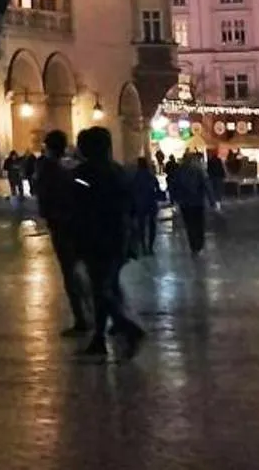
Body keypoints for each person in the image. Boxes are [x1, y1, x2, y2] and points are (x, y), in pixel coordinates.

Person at [73, 128, 147, 359]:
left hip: (96, 237)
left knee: (100, 289)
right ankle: (99, 338)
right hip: (119, 236)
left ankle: (127, 327)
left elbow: (79, 204)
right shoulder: (119, 171)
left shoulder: (85, 174)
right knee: (108, 286)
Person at [32, 131, 92, 334]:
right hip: (75, 223)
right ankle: (91, 314)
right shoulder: (70, 169)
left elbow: (42, 195)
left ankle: (83, 319)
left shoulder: (47, 169)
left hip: (60, 224)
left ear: (47, 147)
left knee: (71, 273)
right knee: (79, 271)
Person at [170, 155, 212, 254]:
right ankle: (200, 245)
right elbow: (207, 185)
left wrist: (174, 200)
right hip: (198, 202)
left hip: (185, 203)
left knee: (189, 225)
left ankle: (193, 246)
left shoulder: (179, 171)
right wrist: (212, 201)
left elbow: (174, 186)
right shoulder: (199, 170)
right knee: (199, 224)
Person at [129, 157, 161, 256]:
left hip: (140, 204)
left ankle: (143, 247)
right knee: (152, 226)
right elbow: (157, 188)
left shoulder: (135, 177)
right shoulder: (150, 176)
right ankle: (150, 247)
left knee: (141, 226)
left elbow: (132, 191)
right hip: (151, 203)